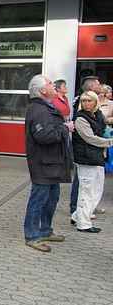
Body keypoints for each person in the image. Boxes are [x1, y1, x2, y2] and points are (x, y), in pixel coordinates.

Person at [23, 75, 73, 252]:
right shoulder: (38, 110)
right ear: (43, 90)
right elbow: (44, 136)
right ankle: (32, 235)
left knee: (51, 199)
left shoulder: (46, 107)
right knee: (38, 200)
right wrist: (65, 128)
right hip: (43, 164)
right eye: (50, 83)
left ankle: (45, 230)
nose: (54, 85)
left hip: (52, 163)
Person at [71, 90, 113, 233]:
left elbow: (104, 126)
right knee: (87, 191)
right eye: (84, 101)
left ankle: (78, 216)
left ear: (95, 102)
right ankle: (83, 223)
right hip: (86, 159)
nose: (86, 103)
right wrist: (109, 142)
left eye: (89, 100)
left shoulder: (97, 115)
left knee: (97, 190)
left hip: (97, 157)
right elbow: (90, 138)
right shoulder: (80, 119)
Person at [70, 76, 102, 216]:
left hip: (92, 152)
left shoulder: (96, 111)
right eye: (98, 84)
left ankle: (85, 209)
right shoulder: (81, 111)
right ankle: (76, 210)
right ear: (91, 88)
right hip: (85, 152)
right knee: (82, 182)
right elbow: (89, 136)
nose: (100, 86)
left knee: (91, 184)